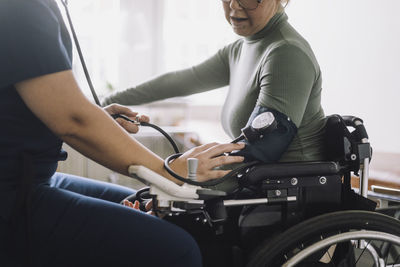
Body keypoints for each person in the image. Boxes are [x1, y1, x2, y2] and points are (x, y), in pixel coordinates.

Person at [0, 0, 245, 266]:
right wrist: (169, 171)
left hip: (33, 178)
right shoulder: (23, 6)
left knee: (142, 207)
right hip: (13, 191)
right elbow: (72, 119)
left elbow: (38, 105)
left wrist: (100, 122)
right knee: (177, 249)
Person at [103, 0, 327, 165]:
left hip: (288, 197)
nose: (234, 6)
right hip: (257, 188)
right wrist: (102, 104)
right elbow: (180, 82)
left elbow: (260, 151)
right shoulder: (242, 48)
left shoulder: (286, 53)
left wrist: (182, 183)